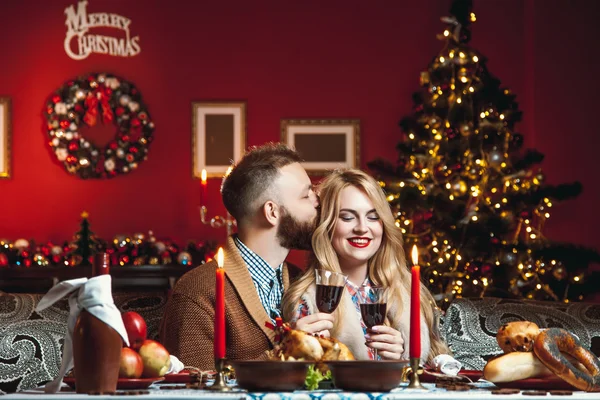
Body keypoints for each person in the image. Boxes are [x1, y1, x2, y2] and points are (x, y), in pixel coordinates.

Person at [161, 143, 327, 370]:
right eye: (306, 195)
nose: (318, 203)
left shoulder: (302, 281)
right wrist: (288, 350)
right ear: (272, 212)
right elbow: (192, 391)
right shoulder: (197, 292)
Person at [282, 169, 450, 362]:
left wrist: (400, 361)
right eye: (347, 217)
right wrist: (304, 350)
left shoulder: (408, 293)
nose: (362, 228)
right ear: (326, 226)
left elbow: (436, 372)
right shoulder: (307, 301)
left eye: (372, 217)